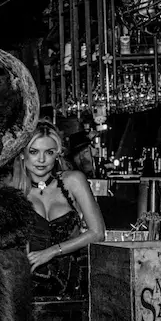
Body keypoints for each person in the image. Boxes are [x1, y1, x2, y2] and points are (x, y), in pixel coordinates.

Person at [10, 121, 106, 296]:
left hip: (72, 285)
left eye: (49, 152)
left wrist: (52, 251)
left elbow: (98, 233)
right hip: (27, 289)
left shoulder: (73, 181)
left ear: (57, 154)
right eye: (34, 152)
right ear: (22, 154)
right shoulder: (13, 189)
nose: (41, 159)